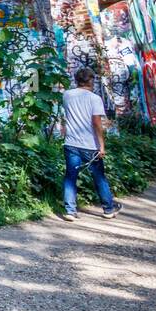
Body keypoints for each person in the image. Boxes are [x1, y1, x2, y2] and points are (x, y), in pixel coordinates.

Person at [59, 66, 122, 221]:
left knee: (70, 177)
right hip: (90, 145)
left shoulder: (67, 95)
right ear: (91, 81)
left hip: (71, 143)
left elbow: (65, 116)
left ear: (77, 80)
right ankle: (108, 208)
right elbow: (96, 123)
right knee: (99, 177)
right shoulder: (94, 99)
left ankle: (70, 210)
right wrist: (102, 146)